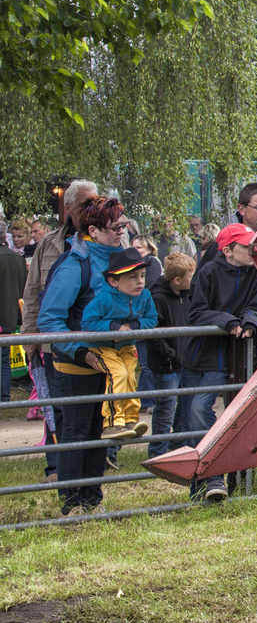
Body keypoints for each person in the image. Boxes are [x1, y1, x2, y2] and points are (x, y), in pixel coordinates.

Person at [36, 195, 126, 515]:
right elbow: (49, 319)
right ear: (94, 230)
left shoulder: (117, 259)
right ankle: (71, 502)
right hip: (75, 362)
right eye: (115, 227)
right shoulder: (75, 263)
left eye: (123, 226)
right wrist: (82, 351)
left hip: (107, 360)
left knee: (97, 429)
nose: (121, 232)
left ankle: (92, 499)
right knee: (76, 429)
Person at [21, 179, 98, 483]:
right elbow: (32, 292)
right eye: (85, 205)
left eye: (96, 202)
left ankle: (88, 474)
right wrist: (31, 336)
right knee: (58, 411)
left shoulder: (104, 239)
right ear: (68, 208)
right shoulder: (49, 243)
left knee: (89, 415)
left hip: (91, 342)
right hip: (54, 343)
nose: (92, 210)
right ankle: (57, 468)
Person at [181, 223, 257, 502]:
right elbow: (196, 311)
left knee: (215, 411)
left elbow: (255, 304)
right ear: (228, 250)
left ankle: (219, 479)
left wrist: (251, 321)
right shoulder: (208, 272)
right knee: (196, 411)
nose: (252, 250)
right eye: (246, 246)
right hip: (202, 355)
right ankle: (207, 481)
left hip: (231, 357)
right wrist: (227, 322)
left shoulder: (255, 272)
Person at [83, 247, 157, 439]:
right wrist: (114, 327)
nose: (140, 281)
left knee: (131, 377)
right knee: (118, 374)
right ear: (113, 281)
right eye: (133, 277)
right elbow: (87, 323)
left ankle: (130, 419)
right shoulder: (103, 299)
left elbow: (152, 319)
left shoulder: (145, 296)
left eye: (142, 275)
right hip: (103, 346)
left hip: (126, 345)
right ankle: (113, 422)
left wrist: (133, 325)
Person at [145, 253, 194, 459]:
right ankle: (158, 451)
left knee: (184, 406)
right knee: (166, 407)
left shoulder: (188, 294)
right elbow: (154, 331)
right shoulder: (157, 298)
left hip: (185, 360)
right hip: (166, 364)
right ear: (177, 280)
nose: (192, 280)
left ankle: (178, 445)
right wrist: (170, 354)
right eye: (190, 276)